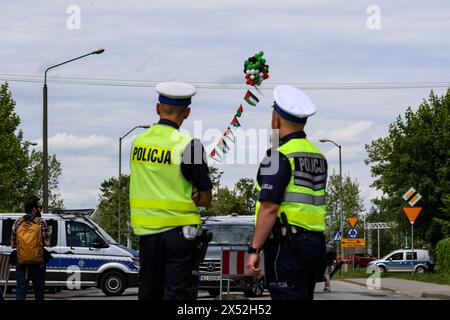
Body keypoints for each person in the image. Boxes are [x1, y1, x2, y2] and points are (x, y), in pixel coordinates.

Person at [130, 81, 213, 300]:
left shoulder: (138, 142)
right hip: (180, 237)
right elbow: (206, 198)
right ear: (187, 113)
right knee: (179, 295)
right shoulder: (190, 145)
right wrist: (196, 193)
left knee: (149, 294)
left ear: (158, 108)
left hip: (148, 236)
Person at [247, 85, 327, 300]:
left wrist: (254, 249)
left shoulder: (278, 157)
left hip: (287, 246)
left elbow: (269, 207)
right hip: (315, 244)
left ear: (276, 119)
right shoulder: (318, 156)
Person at [11, 196, 50, 300]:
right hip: (38, 263)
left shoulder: (17, 222)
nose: (40, 209)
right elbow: (47, 243)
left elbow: (13, 245)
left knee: (21, 290)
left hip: (22, 262)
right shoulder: (41, 222)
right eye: (40, 207)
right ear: (34, 208)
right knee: (39, 292)